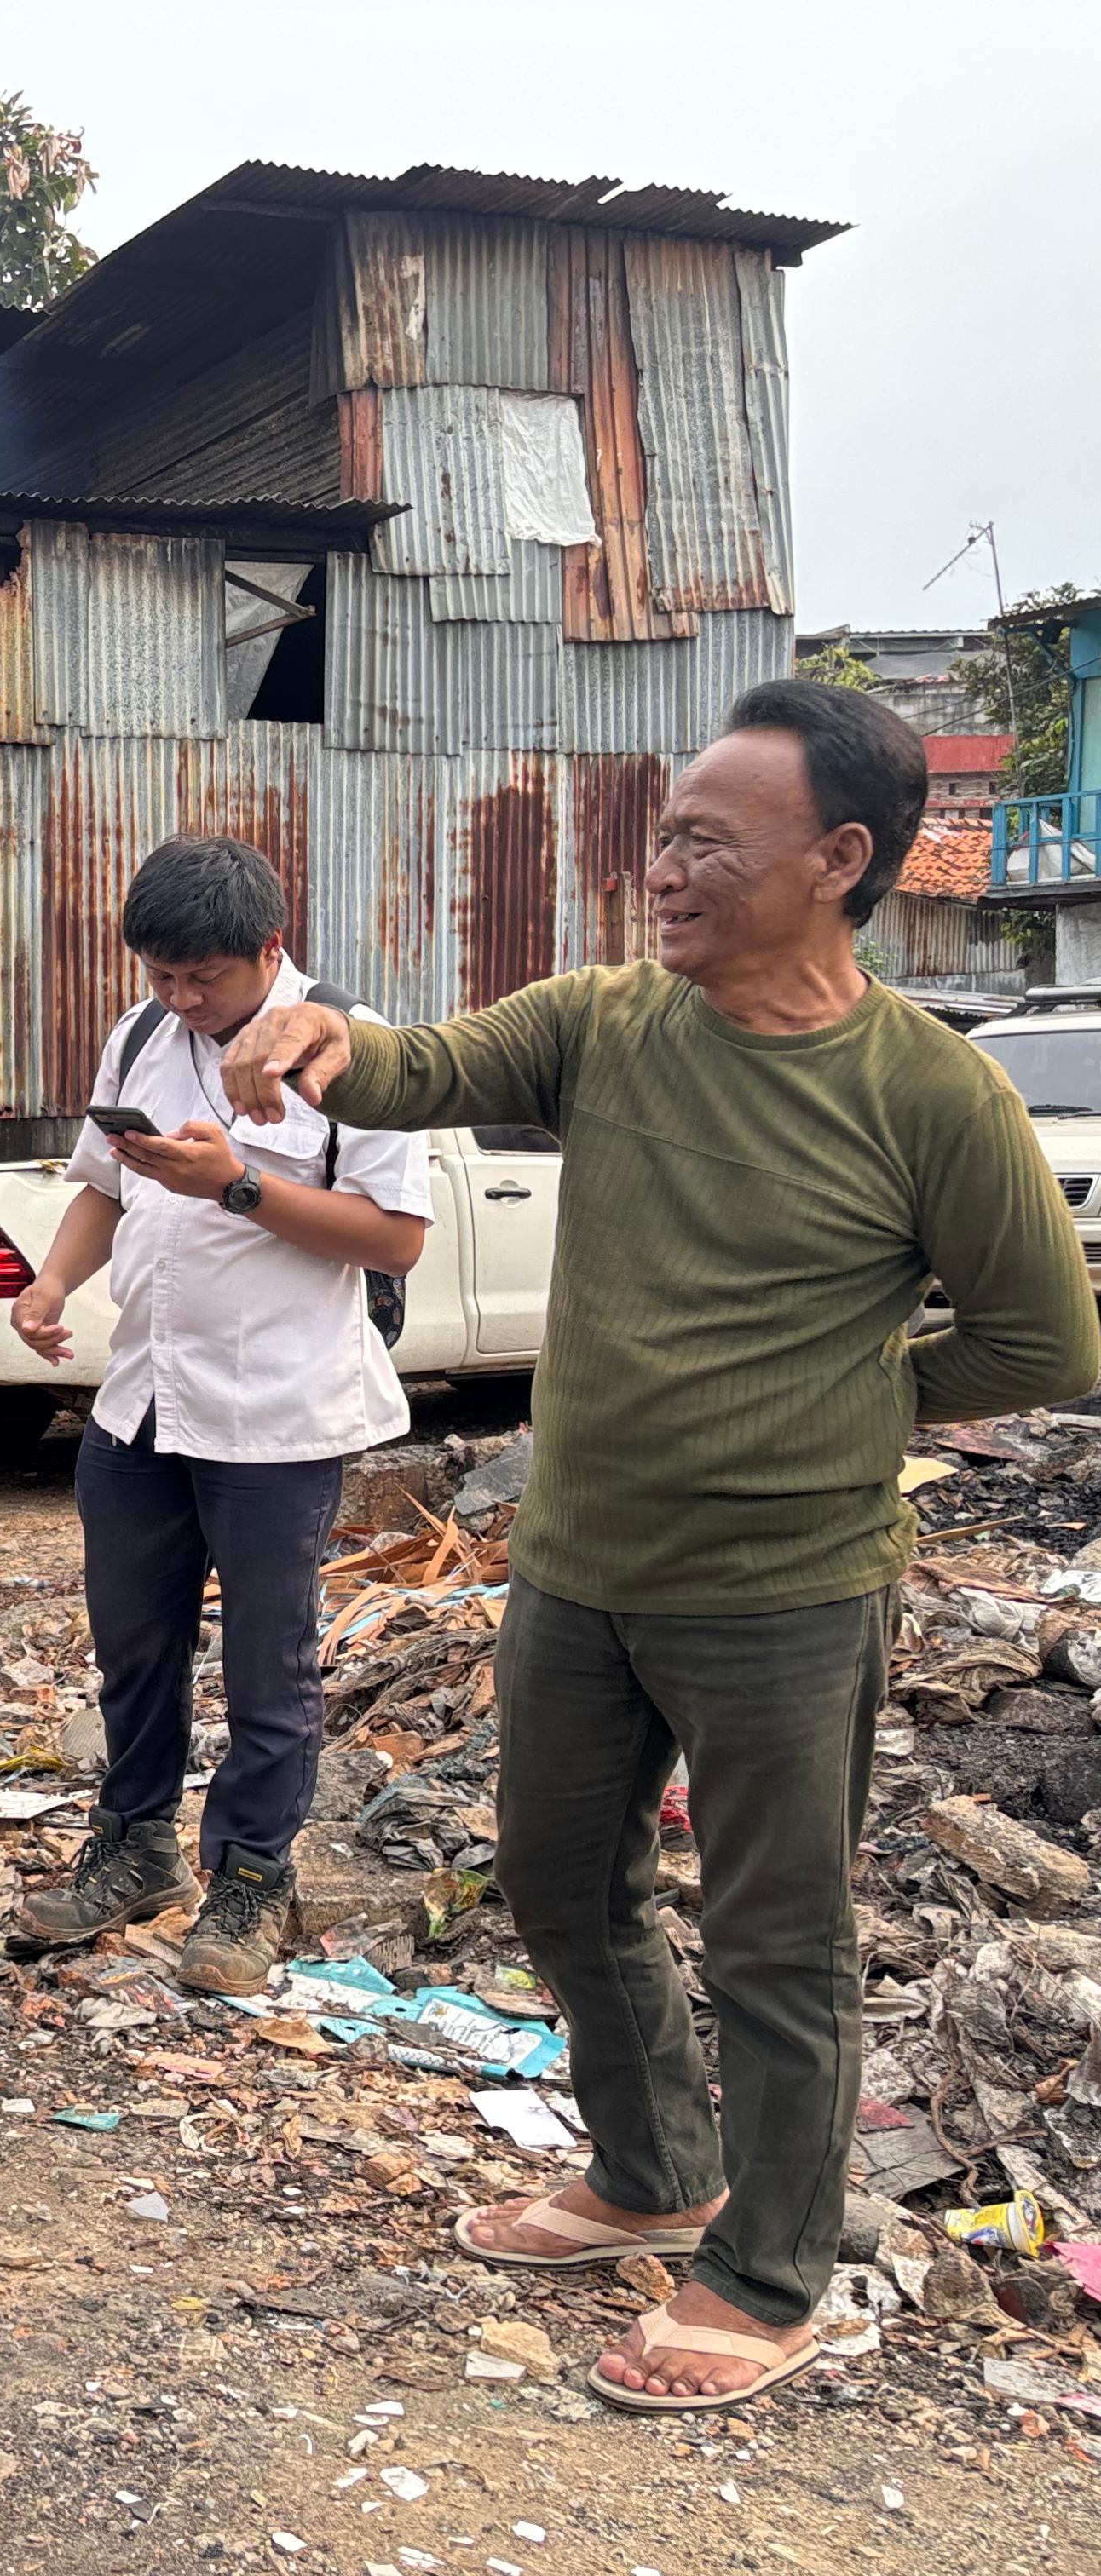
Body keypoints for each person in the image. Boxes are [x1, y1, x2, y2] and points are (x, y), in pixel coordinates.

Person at [220, 680, 1101, 2412]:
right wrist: (325, 1039)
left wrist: (849, 1405)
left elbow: (1044, 1345)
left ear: (840, 861)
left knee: (780, 1936)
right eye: (665, 836)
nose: (666, 871)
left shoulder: (932, 1093)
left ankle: (771, 2268)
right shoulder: (611, 1021)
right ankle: (650, 2169)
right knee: (559, 1880)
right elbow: (434, 1063)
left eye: (708, 841)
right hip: (577, 1566)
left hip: (786, 1586)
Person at [4, 837, 431, 1997]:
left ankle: (252, 1880)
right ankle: (135, 1845)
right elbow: (105, 1184)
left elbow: (396, 1237)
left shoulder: (352, 1049)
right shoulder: (142, 1036)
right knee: (134, 1646)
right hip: (142, 1393)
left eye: (206, 980)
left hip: (278, 1408)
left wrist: (239, 1184)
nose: (184, 1002)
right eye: (162, 978)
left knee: (267, 1662)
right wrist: (51, 1284)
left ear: (271, 951)